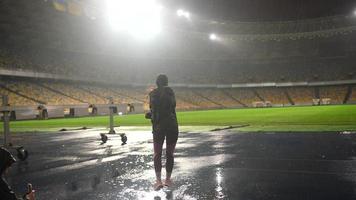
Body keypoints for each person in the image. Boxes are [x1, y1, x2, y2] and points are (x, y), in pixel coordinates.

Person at [147, 74, 179, 190]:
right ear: (167, 82)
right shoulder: (171, 92)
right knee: (170, 153)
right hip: (172, 126)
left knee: (157, 154)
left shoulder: (152, 94)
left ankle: (158, 181)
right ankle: (168, 180)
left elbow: (153, 110)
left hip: (158, 127)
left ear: (156, 82)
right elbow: (172, 106)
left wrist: (150, 115)